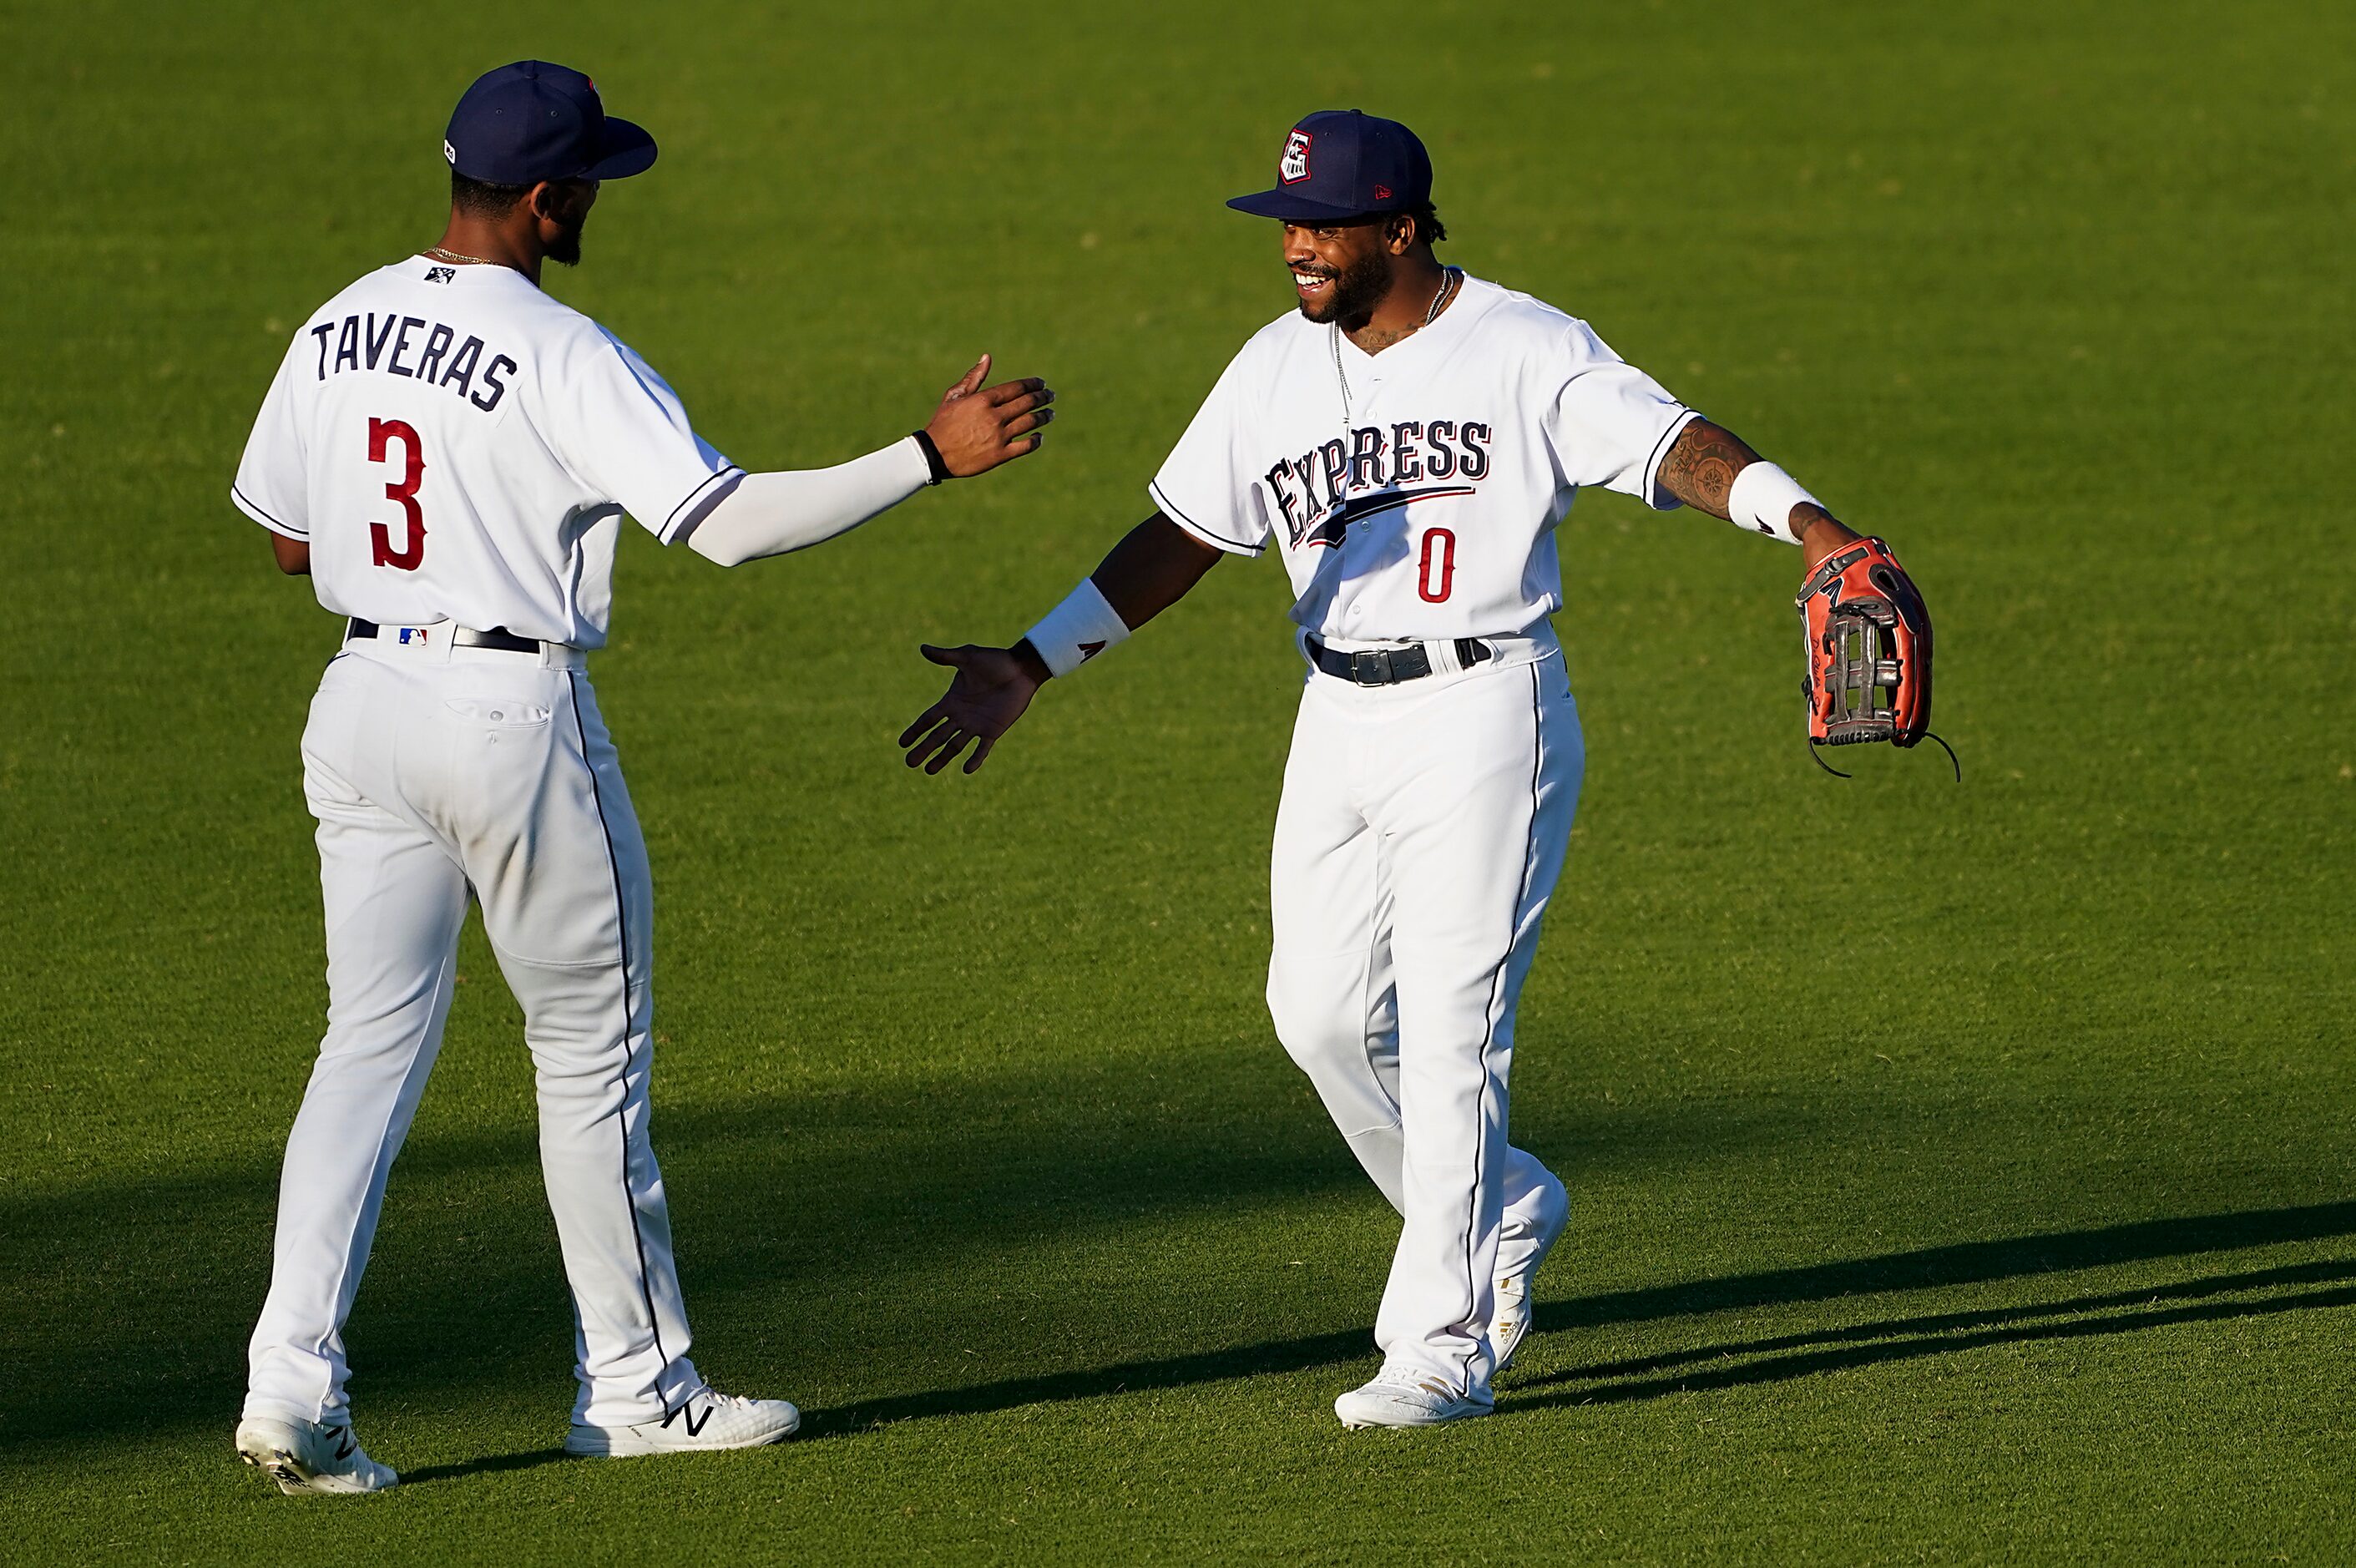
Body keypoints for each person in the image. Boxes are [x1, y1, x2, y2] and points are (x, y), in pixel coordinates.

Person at [900, 109, 1893, 1429]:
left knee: (1450, 1030)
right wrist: (1034, 660)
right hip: (1337, 715)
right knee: (1313, 1016)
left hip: (1485, 709)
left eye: (1325, 225)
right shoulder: (1274, 368)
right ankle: (1505, 1202)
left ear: (1405, 226)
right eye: (1290, 224)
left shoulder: (1525, 347)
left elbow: (1674, 447)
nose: (1299, 247)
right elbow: (1187, 532)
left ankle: (1442, 1342)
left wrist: (1813, 528)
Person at [230, 59, 1053, 1493]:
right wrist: (927, 454)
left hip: (359, 700)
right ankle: (636, 1387)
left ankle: (289, 1382)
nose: (599, 200)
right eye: (591, 182)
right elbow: (722, 527)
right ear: (545, 199)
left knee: (361, 1051)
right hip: (505, 716)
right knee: (588, 1062)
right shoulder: (562, 351)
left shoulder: (338, 317)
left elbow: (292, 542)